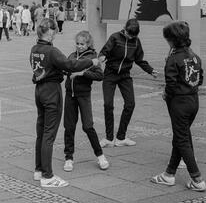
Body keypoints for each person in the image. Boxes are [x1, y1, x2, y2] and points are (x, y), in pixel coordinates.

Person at [30, 18, 97, 188]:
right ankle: (47, 176)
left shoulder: (34, 49)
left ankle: (39, 170)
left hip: (39, 90)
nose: (56, 35)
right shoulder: (52, 51)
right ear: (50, 32)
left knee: (41, 131)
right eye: (55, 32)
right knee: (49, 135)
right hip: (51, 92)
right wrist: (91, 61)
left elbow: (45, 68)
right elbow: (71, 64)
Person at [151, 21, 206, 192]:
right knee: (181, 136)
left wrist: (167, 94)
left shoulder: (173, 59)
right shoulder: (195, 56)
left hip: (179, 103)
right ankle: (169, 174)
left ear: (171, 40)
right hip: (193, 101)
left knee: (182, 139)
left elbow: (171, 84)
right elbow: (200, 79)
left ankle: (197, 179)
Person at [98, 18, 158, 147]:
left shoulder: (136, 42)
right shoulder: (115, 37)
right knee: (108, 105)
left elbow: (139, 60)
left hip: (125, 75)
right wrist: (102, 57)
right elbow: (104, 51)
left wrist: (150, 70)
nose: (129, 37)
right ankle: (109, 138)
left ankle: (121, 137)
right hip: (110, 74)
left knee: (130, 104)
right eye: (128, 34)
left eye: (132, 36)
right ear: (124, 29)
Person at [63, 31, 109, 172]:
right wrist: (65, 71)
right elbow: (66, 69)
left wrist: (82, 73)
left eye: (82, 44)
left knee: (88, 126)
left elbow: (100, 75)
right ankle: (69, 158)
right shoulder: (71, 56)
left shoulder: (92, 57)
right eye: (77, 43)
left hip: (83, 96)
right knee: (69, 127)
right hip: (70, 95)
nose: (79, 46)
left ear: (88, 44)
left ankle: (100, 156)